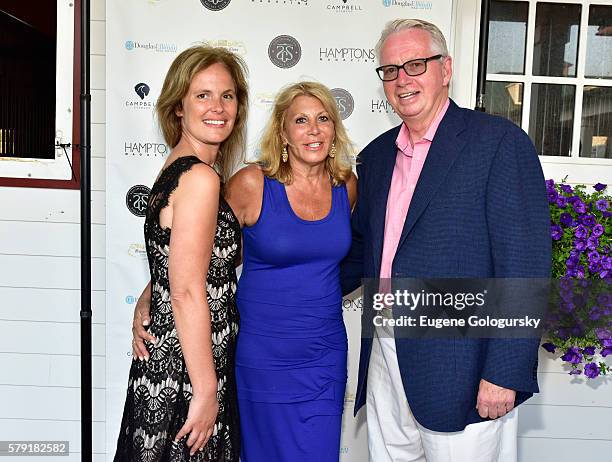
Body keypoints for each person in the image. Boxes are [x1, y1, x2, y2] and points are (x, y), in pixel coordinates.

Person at [340, 19, 551, 462]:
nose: (402, 79)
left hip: (464, 369)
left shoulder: (498, 143)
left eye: (415, 64)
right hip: (385, 357)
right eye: (391, 70)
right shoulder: (375, 157)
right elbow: (358, 253)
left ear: (446, 69)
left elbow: (524, 264)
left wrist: (504, 371)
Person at [133, 81, 357, 461]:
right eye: (300, 120)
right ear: (283, 133)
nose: (314, 129)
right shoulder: (253, 184)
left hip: (323, 355)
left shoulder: (346, 186)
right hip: (261, 356)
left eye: (323, 119)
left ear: (335, 129)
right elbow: (204, 250)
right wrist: (152, 291)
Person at [114, 45, 249, 462]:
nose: (218, 107)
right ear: (178, 107)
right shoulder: (200, 178)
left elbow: (175, 260)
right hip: (188, 376)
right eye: (202, 95)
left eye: (227, 95)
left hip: (176, 365)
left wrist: (148, 292)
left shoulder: (178, 167)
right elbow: (188, 291)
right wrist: (207, 392)